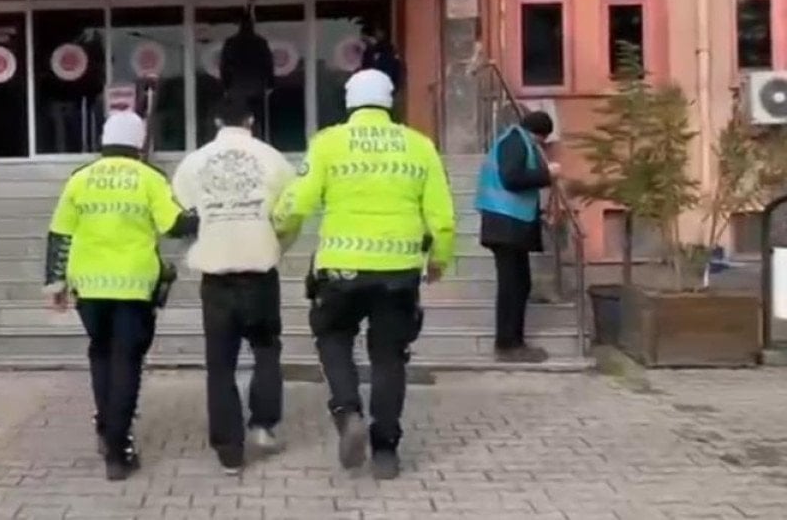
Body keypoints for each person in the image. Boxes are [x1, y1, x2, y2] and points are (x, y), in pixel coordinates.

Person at [273, 69, 455, 480]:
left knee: (333, 337)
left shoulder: (329, 142)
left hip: (341, 269)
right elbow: (442, 217)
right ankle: (386, 449)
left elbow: (296, 202)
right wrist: (439, 259)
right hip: (399, 271)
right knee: (389, 357)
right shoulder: (419, 145)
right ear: (390, 101)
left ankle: (347, 410)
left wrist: (277, 229)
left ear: (349, 100)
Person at [43, 111, 198, 481]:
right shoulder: (149, 178)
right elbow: (174, 225)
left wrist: (55, 283)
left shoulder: (80, 178)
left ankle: (105, 425)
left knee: (101, 353)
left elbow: (60, 234)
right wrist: (204, 214)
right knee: (127, 361)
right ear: (140, 142)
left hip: (90, 287)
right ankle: (118, 449)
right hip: (133, 285)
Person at [171, 95, 296, 475]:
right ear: (251, 120)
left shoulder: (192, 163)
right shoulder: (274, 159)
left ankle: (229, 451)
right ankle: (263, 424)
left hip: (216, 278)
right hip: (260, 272)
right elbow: (290, 213)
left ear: (215, 122)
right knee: (266, 349)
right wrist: (276, 244)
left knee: (220, 364)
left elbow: (179, 217)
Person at [474, 110, 559, 363]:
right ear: (539, 134)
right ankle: (507, 344)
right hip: (505, 224)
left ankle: (514, 341)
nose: (542, 146)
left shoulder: (516, 140)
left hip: (509, 223)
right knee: (512, 286)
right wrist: (547, 174)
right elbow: (511, 178)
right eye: (543, 141)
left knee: (520, 284)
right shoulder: (515, 142)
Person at [220, 5, 275, 140]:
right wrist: (270, 84)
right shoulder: (260, 42)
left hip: (237, 87)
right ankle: (257, 141)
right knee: (256, 119)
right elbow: (268, 64)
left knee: (238, 119)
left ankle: (240, 142)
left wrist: (226, 87)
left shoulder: (231, 43)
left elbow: (224, 66)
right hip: (257, 86)